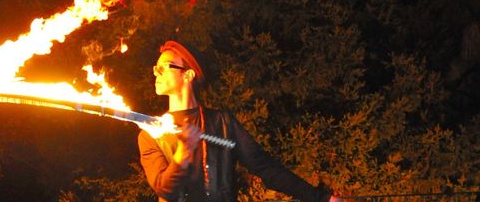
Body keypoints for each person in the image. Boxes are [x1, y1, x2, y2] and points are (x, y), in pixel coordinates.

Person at [138, 40, 334, 202]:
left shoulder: (222, 123)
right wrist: (183, 153)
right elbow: (164, 189)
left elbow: (265, 167)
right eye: (156, 68)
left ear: (188, 75)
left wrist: (322, 199)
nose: (156, 72)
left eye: (164, 67)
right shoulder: (150, 133)